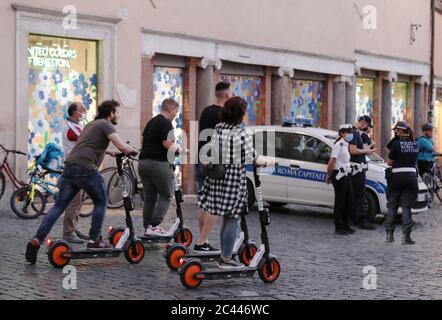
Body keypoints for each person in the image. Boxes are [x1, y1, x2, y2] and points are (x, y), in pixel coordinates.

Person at [25, 100, 138, 264]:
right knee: (101, 201)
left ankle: (37, 240)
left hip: (70, 167)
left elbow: (87, 144)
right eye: (117, 112)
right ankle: (95, 240)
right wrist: (133, 150)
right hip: (85, 168)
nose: (117, 115)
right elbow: (122, 145)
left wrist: (108, 152)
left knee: (58, 206)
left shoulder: (91, 124)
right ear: (111, 113)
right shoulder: (106, 125)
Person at [197, 96, 272, 268]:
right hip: (232, 181)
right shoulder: (240, 133)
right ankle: (226, 258)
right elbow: (252, 158)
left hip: (216, 179)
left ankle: (224, 254)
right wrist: (268, 161)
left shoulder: (218, 128)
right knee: (231, 219)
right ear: (240, 114)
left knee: (224, 216)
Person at [195, 81, 232, 251]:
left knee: (204, 203)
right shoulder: (224, 114)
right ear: (227, 95)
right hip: (215, 164)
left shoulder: (205, 111)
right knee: (215, 204)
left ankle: (203, 240)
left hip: (201, 158)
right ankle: (202, 241)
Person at [139, 98, 182, 236]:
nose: (176, 114)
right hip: (159, 163)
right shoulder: (166, 123)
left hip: (143, 163)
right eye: (176, 111)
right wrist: (181, 150)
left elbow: (143, 141)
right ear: (170, 109)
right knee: (167, 194)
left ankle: (148, 228)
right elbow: (167, 143)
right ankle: (153, 225)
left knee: (150, 197)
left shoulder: (151, 122)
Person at [384, 121, 419, 245]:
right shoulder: (415, 145)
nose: (395, 132)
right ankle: (406, 237)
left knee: (392, 206)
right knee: (406, 207)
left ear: (400, 131)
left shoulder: (396, 144)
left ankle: (389, 235)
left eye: (396, 130)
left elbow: (389, 163)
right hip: (411, 177)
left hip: (397, 177)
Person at [60, 102, 87, 244]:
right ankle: (68, 232)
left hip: (81, 166)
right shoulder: (70, 127)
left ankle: (73, 228)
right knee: (74, 201)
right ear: (75, 112)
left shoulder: (78, 126)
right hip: (75, 167)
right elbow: (86, 141)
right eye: (83, 109)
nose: (85, 110)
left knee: (80, 199)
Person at [326, 124, 355, 236]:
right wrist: (329, 175)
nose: (350, 134)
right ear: (342, 133)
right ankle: (339, 227)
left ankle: (346, 225)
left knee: (349, 200)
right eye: (348, 132)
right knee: (340, 201)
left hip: (346, 174)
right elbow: (332, 162)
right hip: (338, 175)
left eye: (350, 132)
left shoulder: (346, 144)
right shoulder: (338, 145)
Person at [349, 116, 376, 229]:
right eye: (367, 125)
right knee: (358, 195)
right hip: (355, 170)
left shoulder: (358, 134)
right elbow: (353, 150)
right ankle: (358, 219)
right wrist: (366, 150)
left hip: (359, 168)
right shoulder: (353, 133)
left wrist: (367, 147)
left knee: (358, 194)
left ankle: (355, 218)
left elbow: (360, 149)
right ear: (363, 122)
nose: (367, 128)